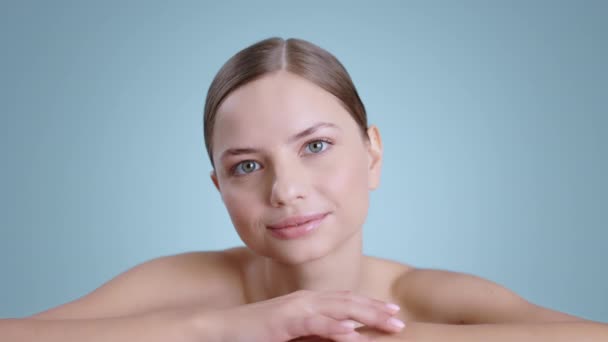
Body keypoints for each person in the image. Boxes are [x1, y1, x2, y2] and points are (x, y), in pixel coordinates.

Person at [1, 37, 606, 342]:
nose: (285, 190)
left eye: (315, 146)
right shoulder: (183, 285)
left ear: (372, 152)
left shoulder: (432, 299)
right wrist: (220, 328)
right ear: (218, 186)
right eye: (246, 166)